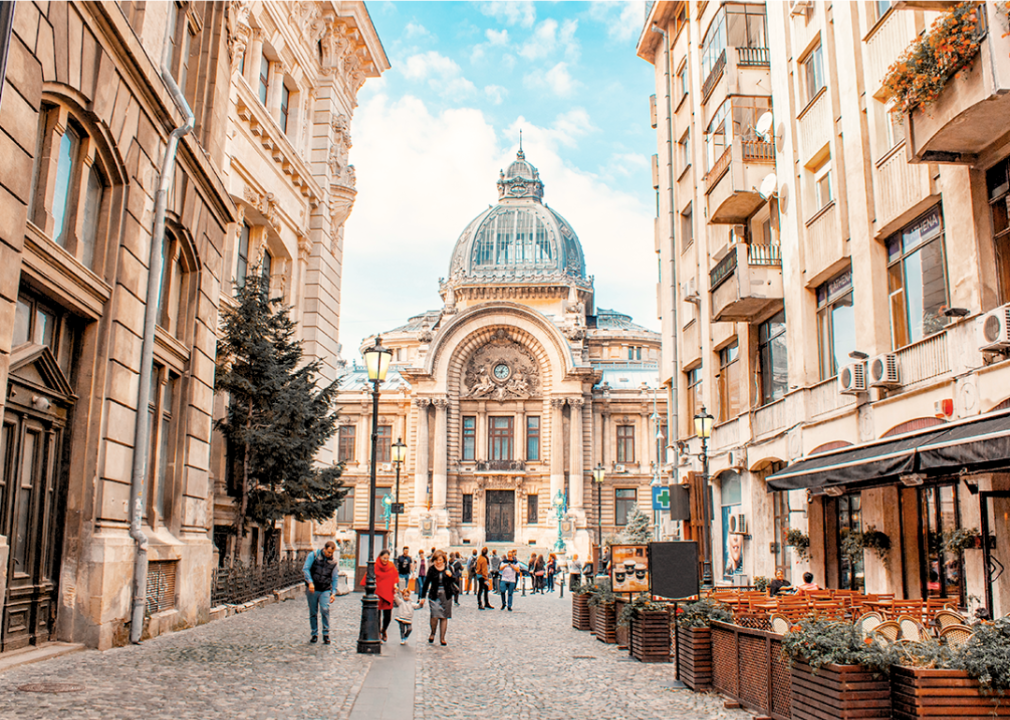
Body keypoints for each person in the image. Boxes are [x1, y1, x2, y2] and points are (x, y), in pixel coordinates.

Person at [302, 540, 339, 644]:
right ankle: (314, 634)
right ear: (324, 549)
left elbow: (335, 578)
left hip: (325, 589)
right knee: (313, 612)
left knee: (325, 609)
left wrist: (334, 593)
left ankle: (326, 633)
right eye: (328, 552)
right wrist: (310, 582)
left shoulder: (334, 562)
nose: (329, 554)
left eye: (331, 553)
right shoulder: (314, 555)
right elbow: (306, 569)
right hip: (313, 589)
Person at [360, 548, 399, 642]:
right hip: (377, 594)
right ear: (380, 557)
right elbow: (367, 577)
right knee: (377, 617)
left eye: (387, 558)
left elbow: (395, 576)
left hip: (388, 593)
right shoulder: (375, 566)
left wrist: (395, 585)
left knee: (388, 617)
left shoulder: (391, 565)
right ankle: (377, 633)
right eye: (384, 558)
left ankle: (384, 630)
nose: (385, 560)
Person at [424, 550, 457, 646]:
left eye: (440, 560)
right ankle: (433, 632)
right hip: (434, 595)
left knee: (444, 616)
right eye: (437, 560)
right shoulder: (431, 569)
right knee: (434, 615)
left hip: (446, 595)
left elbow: (454, 580)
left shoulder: (448, 568)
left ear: (444, 560)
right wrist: (421, 597)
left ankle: (442, 637)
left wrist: (451, 575)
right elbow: (426, 582)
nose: (438, 562)